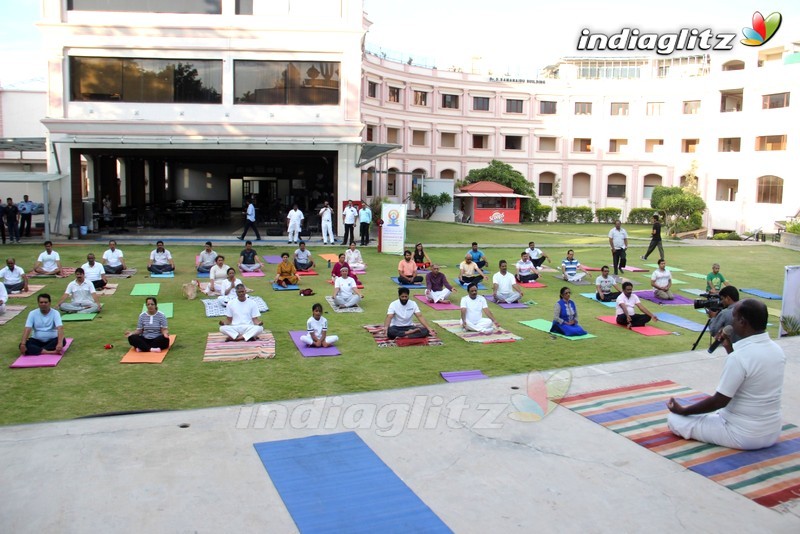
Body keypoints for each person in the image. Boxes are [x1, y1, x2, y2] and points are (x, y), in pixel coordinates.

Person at [666, 299, 785, 450]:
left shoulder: (739, 357)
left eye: (734, 317)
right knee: (715, 414)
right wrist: (729, 348)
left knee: (675, 419)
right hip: (772, 432)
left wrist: (683, 411)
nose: (731, 323)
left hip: (743, 435)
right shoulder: (777, 350)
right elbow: (748, 373)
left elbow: (719, 401)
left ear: (742, 322)